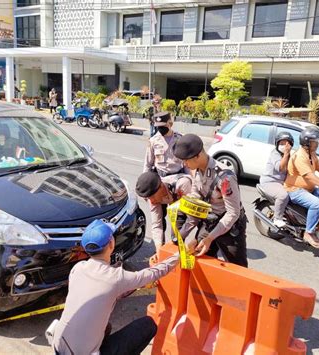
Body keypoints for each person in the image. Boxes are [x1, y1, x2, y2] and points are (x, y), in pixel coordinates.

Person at [52, 219, 179, 355]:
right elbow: (155, 272)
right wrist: (180, 254)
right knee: (148, 325)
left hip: (59, 345)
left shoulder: (78, 268)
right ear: (111, 243)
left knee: (106, 327)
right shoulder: (116, 277)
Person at [173, 134, 248, 267]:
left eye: (186, 160)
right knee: (200, 257)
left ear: (198, 155)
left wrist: (210, 238)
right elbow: (196, 198)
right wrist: (182, 234)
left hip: (230, 226)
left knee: (236, 267)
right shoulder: (196, 170)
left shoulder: (225, 177)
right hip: (210, 221)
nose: (184, 164)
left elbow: (232, 213)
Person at [284, 127, 319, 248]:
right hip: (294, 189)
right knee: (317, 204)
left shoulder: (312, 154)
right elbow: (310, 176)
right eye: (315, 141)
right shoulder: (300, 156)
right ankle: (308, 233)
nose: (317, 143)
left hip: (309, 189)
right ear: (307, 143)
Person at [136, 171, 192, 263]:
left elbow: (193, 218)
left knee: (201, 239)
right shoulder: (152, 197)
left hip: (199, 206)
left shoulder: (182, 185)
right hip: (176, 206)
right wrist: (159, 250)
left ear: (161, 187)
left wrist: (183, 238)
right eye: (148, 198)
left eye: (152, 197)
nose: (152, 201)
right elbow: (157, 224)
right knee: (175, 240)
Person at [260, 131, 294, 228]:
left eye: (286, 143)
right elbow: (281, 167)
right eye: (281, 143)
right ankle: (277, 218)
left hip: (281, 183)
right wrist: (287, 153)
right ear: (277, 144)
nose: (284, 146)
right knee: (283, 195)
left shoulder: (290, 155)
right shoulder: (275, 154)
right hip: (269, 182)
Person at [143, 112, 185, 177]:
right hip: (160, 177)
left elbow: (186, 162)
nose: (160, 128)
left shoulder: (180, 139)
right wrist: (145, 180)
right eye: (159, 126)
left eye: (163, 126)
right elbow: (148, 164)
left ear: (170, 124)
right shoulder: (153, 140)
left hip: (177, 177)